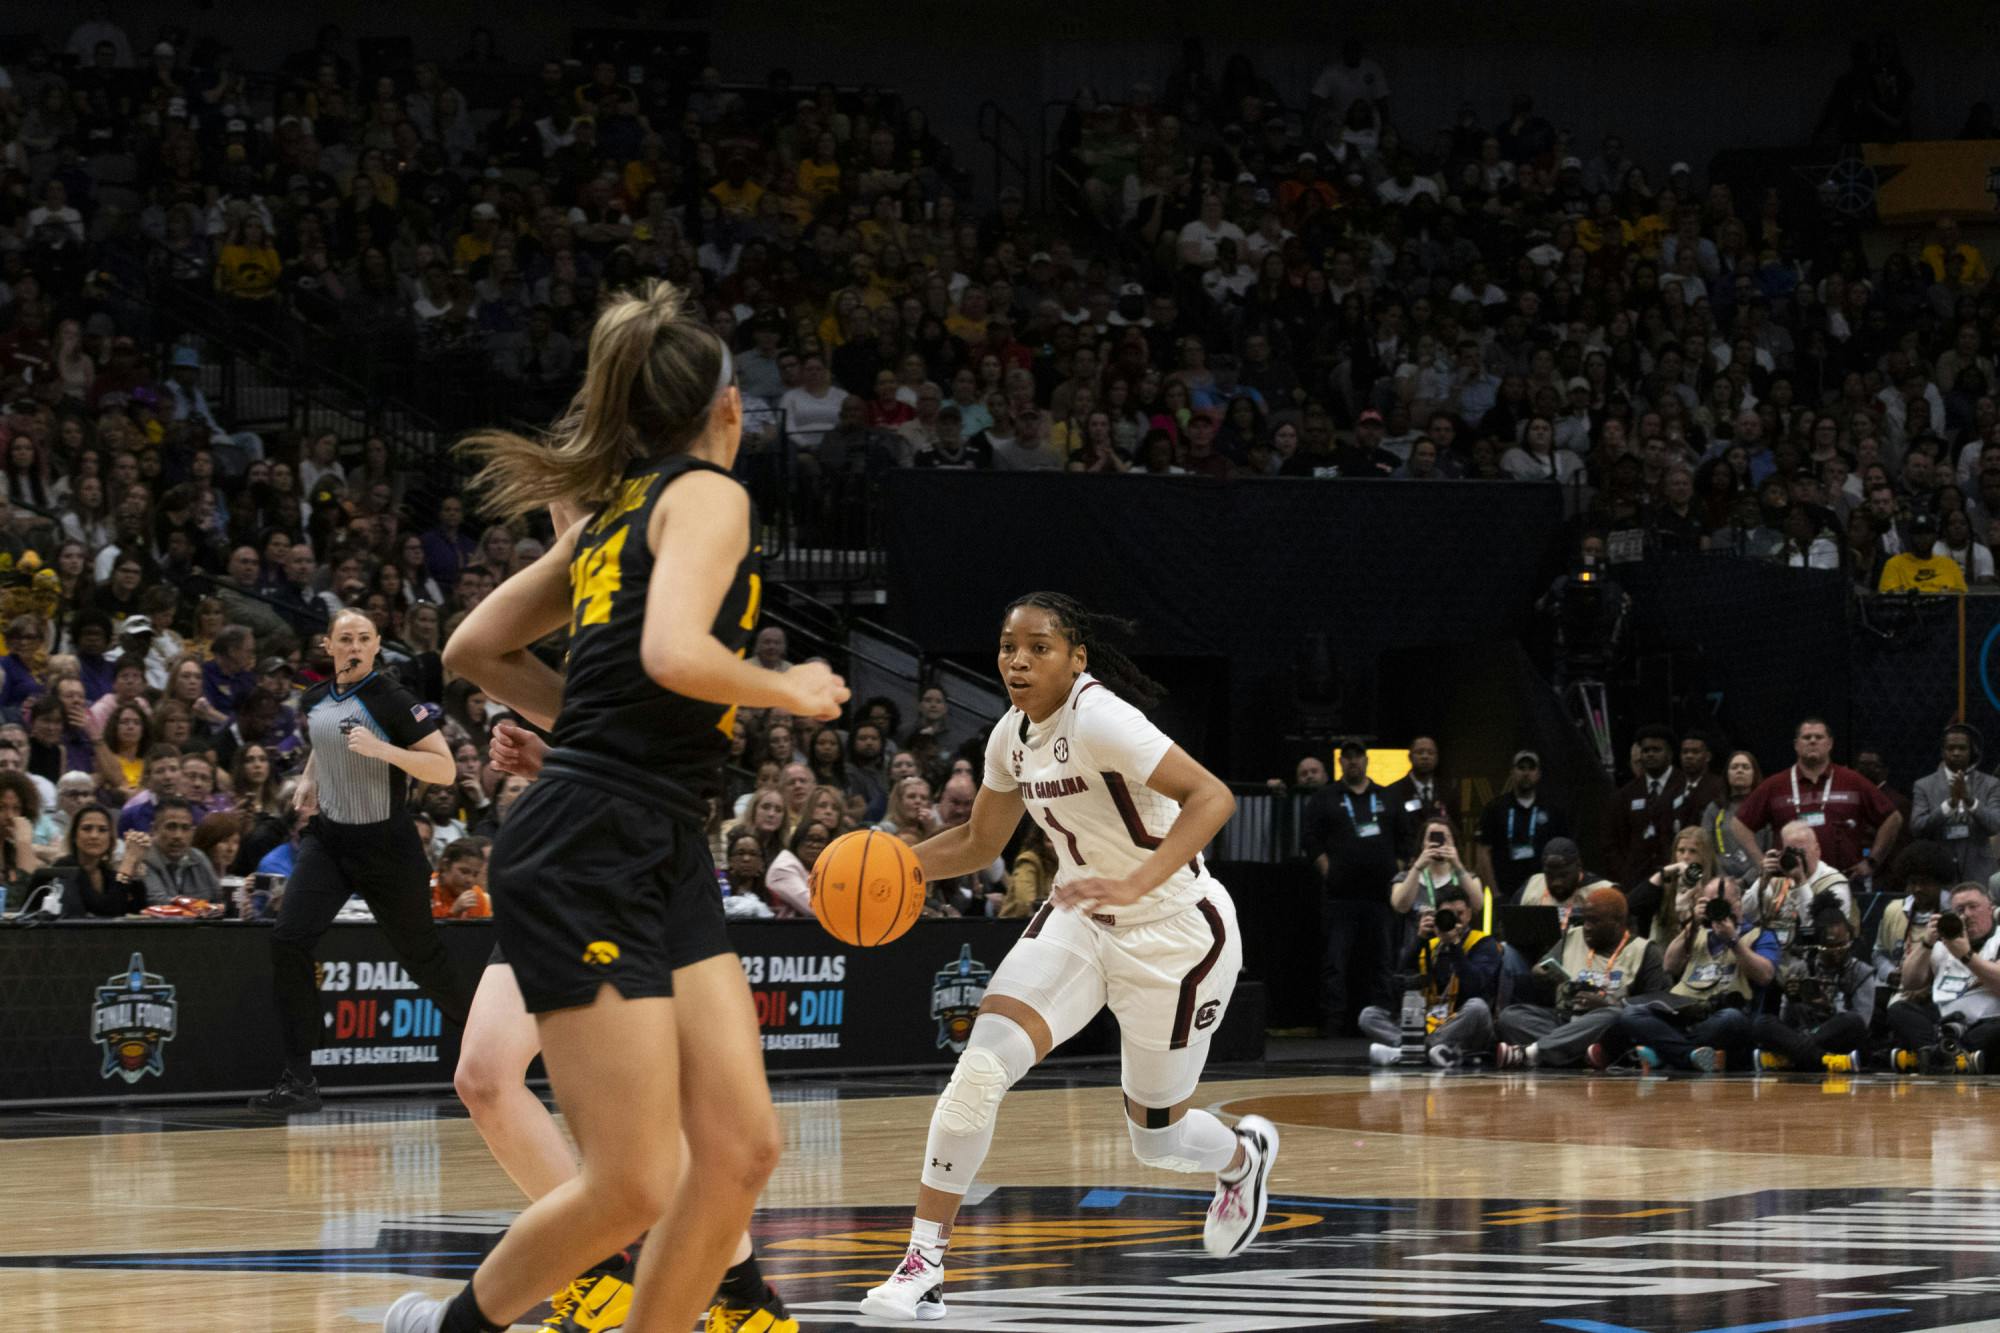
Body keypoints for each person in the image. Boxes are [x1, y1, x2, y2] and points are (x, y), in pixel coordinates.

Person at [392, 282, 845, 1333]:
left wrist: (584, 717)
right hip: (593, 841)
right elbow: (670, 653)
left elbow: (471, 651)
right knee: (635, 1182)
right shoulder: (706, 496)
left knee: (739, 1150)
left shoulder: (611, 524)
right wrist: (789, 688)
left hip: (656, 835)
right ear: (726, 410)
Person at [861, 592, 1274, 1323]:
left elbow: (1211, 796)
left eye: (1038, 646)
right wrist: (893, 869)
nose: (1017, 659)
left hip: (1177, 934)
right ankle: (923, 1261)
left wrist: (1139, 879)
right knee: (978, 1072)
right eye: (1007, 645)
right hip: (1080, 918)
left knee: (1160, 1138)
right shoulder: (1009, 736)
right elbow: (979, 842)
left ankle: (1241, 1158)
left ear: (1076, 656)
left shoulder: (1104, 719)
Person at [249, 609, 472, 1117]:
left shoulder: (391, 699)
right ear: (327, 645)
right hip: (329, 841)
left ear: (375, 647)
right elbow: (329, 736)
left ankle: (495, 1055)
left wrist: (382, 750)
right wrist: (311, 775)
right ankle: (299, 1079)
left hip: (387, 847)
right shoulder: (314, 697)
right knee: (288, 940)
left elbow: (443, 768)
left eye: (364, 639)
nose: (354, 646)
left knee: (422, 959)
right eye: (344, 638)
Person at [1593, 874, 1777, 1072]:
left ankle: (1664, 1052)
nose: (1716, 909)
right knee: (1631, 1014)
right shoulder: (1696, 933)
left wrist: (1733, 940)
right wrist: (1693, 924)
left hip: (1719, 1018)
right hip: (1682, 1015)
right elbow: (1669, 966)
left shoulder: (1759, 935)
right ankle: (1689, 1057)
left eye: (1722, 902)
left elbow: (1765, 975)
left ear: (1738, 903)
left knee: (1732, 1019)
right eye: (1709, 903)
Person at [1496, 886, 1667, 1069]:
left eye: (1594, 921)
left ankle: (1532, 1053)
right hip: (1564, 1018)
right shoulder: (1571, 937)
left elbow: (1654, 1005)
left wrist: (1609, 1004)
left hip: (1603, 1023)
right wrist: (1540, 972)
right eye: (1585, 920)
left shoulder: (1645, 951)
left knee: (1615, 1017)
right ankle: (1583, 1053)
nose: (1587, 927)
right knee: (1510, 1017)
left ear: (1618, 922)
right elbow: (1541, 968)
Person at [1304, 740, 1405, 1036]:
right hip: (1341, 895)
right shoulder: (1326, 797)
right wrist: (1328, 869)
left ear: (1366, 760)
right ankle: (1333, 1024)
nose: (1352, 762)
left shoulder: (1387, 795)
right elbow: (1310, 838)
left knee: (1383, 961)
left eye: (1357, 756)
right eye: (1346, 757)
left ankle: (1383, 1021)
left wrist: (1397, 873)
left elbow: (1404, 837)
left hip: (1382, 895)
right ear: (1341, 763)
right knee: (1336, 961)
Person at [1730, 716, 1902, 881]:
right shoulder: (1775, 785)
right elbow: (1739, 825)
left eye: (1819, 737)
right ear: (1796, 745)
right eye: (1806, 737)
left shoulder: (1852, 781)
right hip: (1789, 883)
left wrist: (1872, 861)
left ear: (1830, 744)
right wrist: (1761, 862)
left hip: (1842, 880)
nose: (1812, 741)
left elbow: (1893, 819)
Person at [1359, 881, 1501, 1067]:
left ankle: (1408, 1051)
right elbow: (1397, 985)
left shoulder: (1483, 943)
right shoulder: (1431, 944)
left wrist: (1455, 946)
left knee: (1478, 1007)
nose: (1455, 920)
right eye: (1448, 915)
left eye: (1460, 914)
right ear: (1437, 916)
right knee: (1368, 1015)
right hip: (1428, 1022)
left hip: (1464, 1026)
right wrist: (1419, 939)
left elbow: (1474, 986)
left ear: (1469, 914)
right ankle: (1429, 1051)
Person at [1752, 891, 1874, 1073]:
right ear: (1817, 943)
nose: (1836, 952)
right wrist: (1793, 1000)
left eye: (1842, 945)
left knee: (1852, 1021)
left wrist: (1828, 1009)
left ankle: (1792, 1058)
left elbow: (1862, 1022)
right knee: (1762, 1023)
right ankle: (1825, 1060)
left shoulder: (1861, 971)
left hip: (1836, 1036)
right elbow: (1785, 1019)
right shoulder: (1799, 968)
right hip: (1805, 1031)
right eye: (1829, 947)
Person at [1888, 881, 2000, 1073]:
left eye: (1973, 907)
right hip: (1942, 1024)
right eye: (1960, 909)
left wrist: (1966, 956)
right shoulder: (1943, 942)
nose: (1967, 914)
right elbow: (1910, 983)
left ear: (1990, 908)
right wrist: (1926, 942)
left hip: (1986, 1023)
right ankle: (1949, 1056)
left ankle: (1934, 1056)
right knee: (1899, 1008)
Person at [1604, 724, 1694, 889]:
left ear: (1670, 753)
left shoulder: (1686, 786)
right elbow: (1612, 841)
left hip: (1676, 878)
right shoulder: (1626, 794)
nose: (1650, 754)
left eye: (1656, 749)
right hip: (1637, 881)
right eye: (1646, 750)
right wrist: (1625, 873)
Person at [1910, 723, 2000, 886]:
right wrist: (1949, 804)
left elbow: (1995, 825)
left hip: (1980, 872)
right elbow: (1917, 827)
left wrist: (1970, 801)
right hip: (1940, 874)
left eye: (1962, 748)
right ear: (1943, 752)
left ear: (1971, 751)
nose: (1956, 753)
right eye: (1951, 748)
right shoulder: (1923, 785)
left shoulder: (1991, 784)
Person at [1517, 838, 1612, 926]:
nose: (1556, 883)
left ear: (1579, 866)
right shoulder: (1532, 885)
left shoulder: (1604, 893)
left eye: (1563, 875)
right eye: (1550, 875)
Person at [1382, 735, 1446, 859]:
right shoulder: (1392, 792)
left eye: (1430, 753)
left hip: (1441, 860)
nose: (1425, 756)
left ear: (1437, 758)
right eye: (1420, 752)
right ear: (1410, 757)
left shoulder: (1447, 790)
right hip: (1407, 860)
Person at [430, 838, 491, 918]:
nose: (470, 880)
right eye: (464, 872)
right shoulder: (425, 890)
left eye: (475, 874)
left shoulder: (477, 896)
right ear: (445, 865)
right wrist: (453, 913)